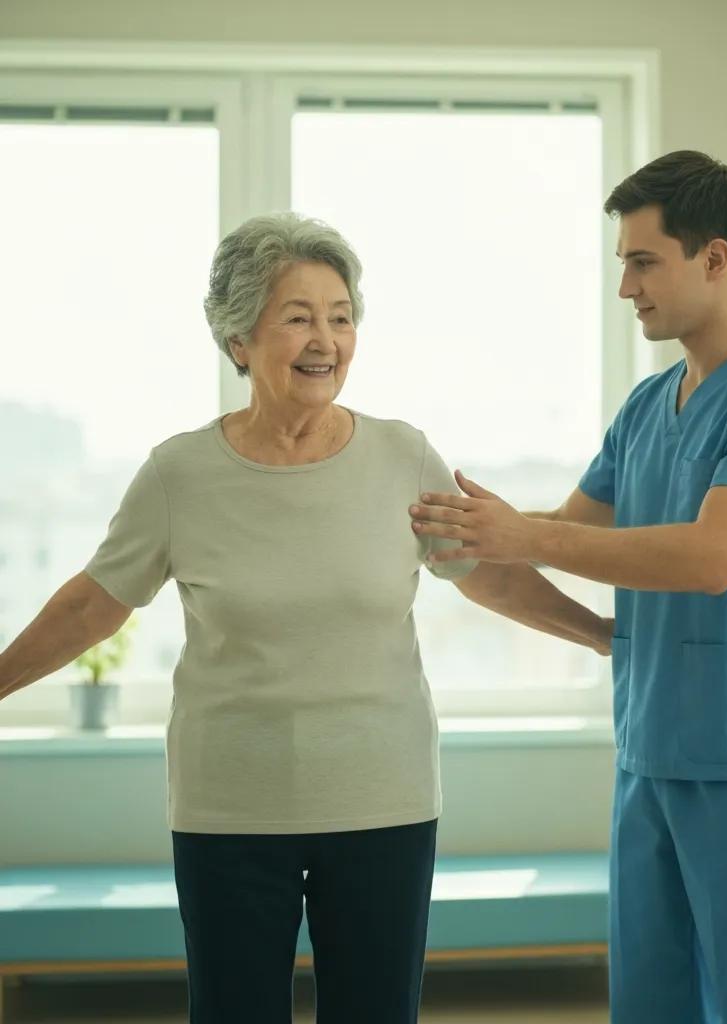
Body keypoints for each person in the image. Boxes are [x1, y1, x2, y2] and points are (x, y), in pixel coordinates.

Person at [0, 212, 612, 1024]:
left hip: (383, 803)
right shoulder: (179, 474)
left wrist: (608, 639)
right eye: (298, 317)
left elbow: (491, 579)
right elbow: (92, 602)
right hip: (229, 808)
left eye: (341, 316)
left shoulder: (403, 455)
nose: (326, 339)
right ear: (238, 340)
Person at [409, 150, 727, 1024]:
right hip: (649, 756)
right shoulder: (646, 411)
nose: (627, 289)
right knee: (652, 1005)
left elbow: (709, 556)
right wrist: (463, 547)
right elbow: (554, 547)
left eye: (642, 262)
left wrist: (525, 534)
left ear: (715, 258)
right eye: (623, 266)